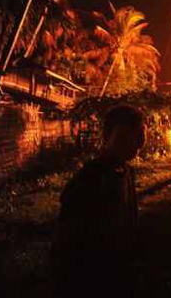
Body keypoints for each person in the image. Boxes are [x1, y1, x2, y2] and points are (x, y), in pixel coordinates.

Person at [50, 105, 146, 298]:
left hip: (121, 276)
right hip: (92, 281)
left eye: (138, 136)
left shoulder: (127, 173)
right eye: (124, 137)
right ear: (107, 137)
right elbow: (64, 244)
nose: (134, 143)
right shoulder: (90, 178)